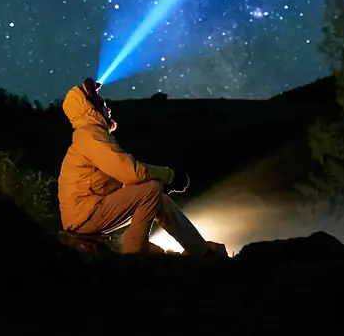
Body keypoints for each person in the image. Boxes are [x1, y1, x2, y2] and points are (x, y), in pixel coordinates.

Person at [57, 77, 227, 257]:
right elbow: (131, 173)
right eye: (102, 102)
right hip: (85, 217)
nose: (108, 108)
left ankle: (203, 253)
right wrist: (169, 176)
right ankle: (135, 255)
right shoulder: (90, 135)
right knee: (151, 189)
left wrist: (161, 181)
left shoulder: (90, 136)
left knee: (159, 197)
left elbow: (121, 180)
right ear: (91, 108)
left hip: (88, 213)